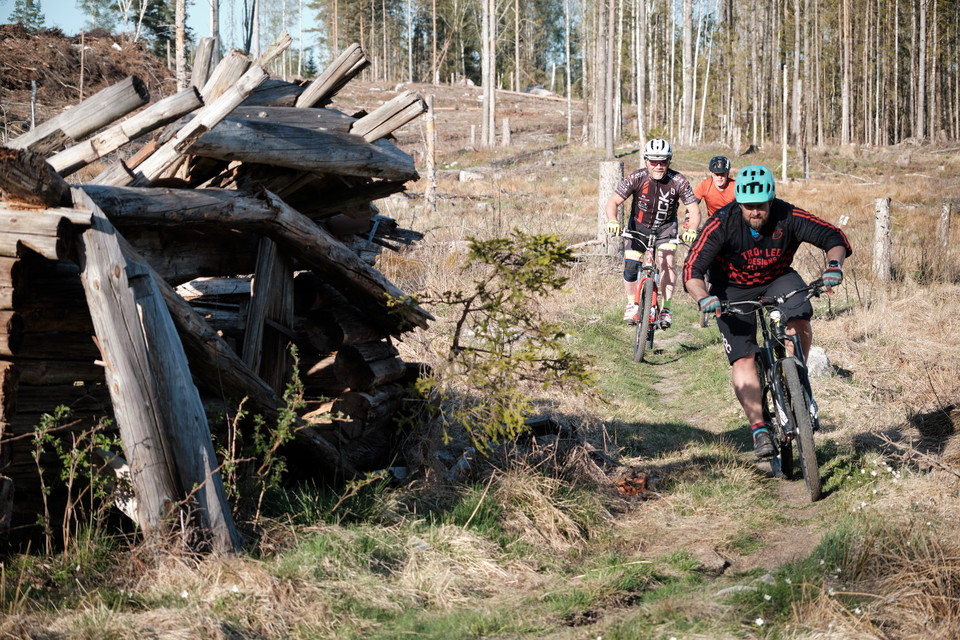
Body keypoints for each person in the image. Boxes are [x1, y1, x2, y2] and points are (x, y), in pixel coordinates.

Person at [682, 165, 852, 458]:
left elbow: (833, 237)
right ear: (739, 203)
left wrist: (834, 266)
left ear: (771, 200)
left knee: (799, 315)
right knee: (743, 355)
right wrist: (703, 297)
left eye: (761, 206)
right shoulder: (721, 223)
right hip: (730, 288)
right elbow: (692, 270)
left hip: (778, 278)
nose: (755, 212)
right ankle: (759, 428)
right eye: (748, 207)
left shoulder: (788, 216)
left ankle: (797, 380)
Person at [604, 138, 701, 328]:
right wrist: (613, 221)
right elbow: (612, 202)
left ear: (669, 161)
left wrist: (691, 230)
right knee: (631, 266)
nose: (658, 166)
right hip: (638, 228)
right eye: (654, 161)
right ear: (646, 161)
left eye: (663, 161)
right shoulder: (636, 178)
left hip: (666, 228)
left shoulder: (678, 181)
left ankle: (666, 309)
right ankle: (632, 304)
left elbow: (694, 210)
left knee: (668, 263)